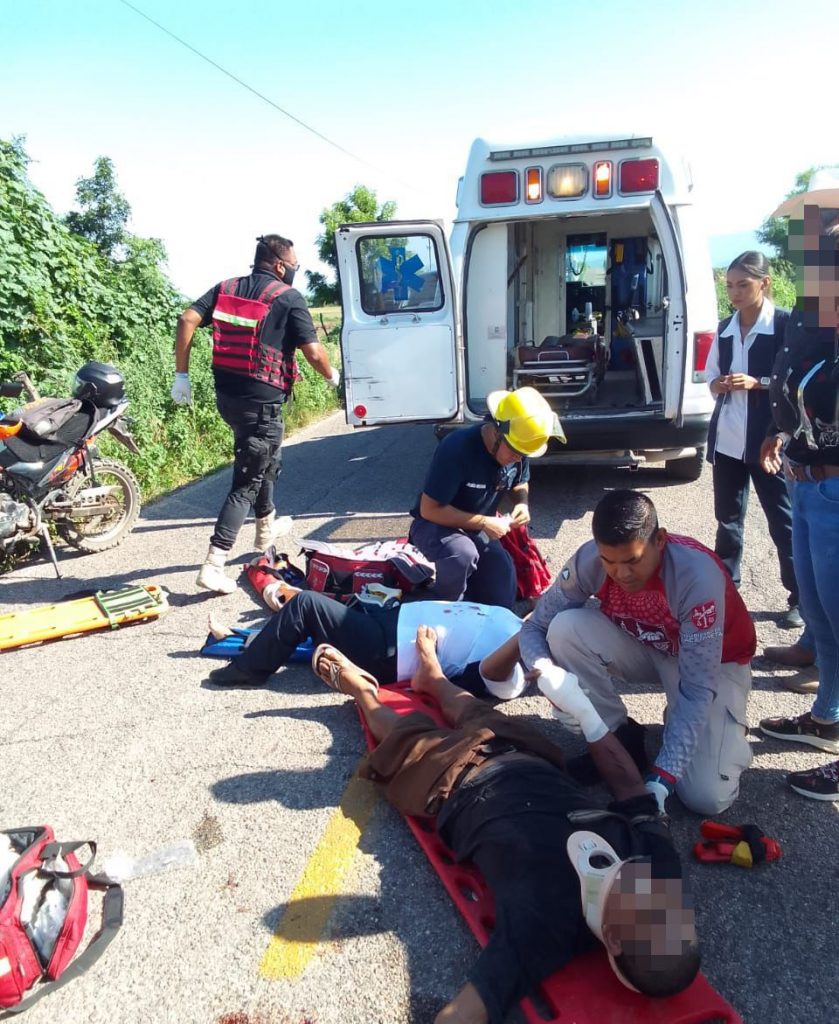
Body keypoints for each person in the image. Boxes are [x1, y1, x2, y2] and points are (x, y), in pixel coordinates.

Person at [310, 628, 700, 1024]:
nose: (652, 888)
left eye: (647, 905)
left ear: (613, 938)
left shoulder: (547, 928)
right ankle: (433, 677)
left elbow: (462, 1013)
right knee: (475, 712)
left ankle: (361, 692)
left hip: (458, 781)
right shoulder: (659, 872)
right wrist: (586, 715)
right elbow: (632, 791)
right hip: (531, 758)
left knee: (403, 738)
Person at [519, 489, 756, 816]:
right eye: (610, 562)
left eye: (632, 560)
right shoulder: (590, 560)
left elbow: (698, 688)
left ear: (659, 540)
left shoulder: (696, 579)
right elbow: (534, 628)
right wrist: (547, 673)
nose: (622, 574)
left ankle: (729, 734)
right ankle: (617, 737)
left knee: (707, 797)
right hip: (647, 643)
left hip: (712, 662)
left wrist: (662, 778)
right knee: (564, 628)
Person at [172, 235, 341, 595]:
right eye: (294, 264)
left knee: (267, 459)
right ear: (280, 265)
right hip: (262, 405)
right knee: (247, 480)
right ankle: (214, 563)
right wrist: (332, 377)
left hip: (229, 399)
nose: (296, 270)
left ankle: (265, 527)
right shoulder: (289, 298)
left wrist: (181, 375)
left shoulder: (227, 287)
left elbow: (187, 319)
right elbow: (312, 351)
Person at [757, 169, 839, 801]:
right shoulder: (814, 323)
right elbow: (797, 389)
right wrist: (785, 436)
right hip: (809, 482)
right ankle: (826, 718)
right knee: (820, 612)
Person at [206, 588, 529, 701]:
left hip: (386, 652)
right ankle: (254, 641)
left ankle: (249, 669)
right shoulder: (515, 621)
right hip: (389, 623)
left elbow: (461, 687)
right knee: (330, 609)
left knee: (307, 605)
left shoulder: (512, 676)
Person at [705, 252, 801, 628]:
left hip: (769, 440)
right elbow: (710, 378)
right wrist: (721, 383)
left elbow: (793, 381)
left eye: (743, 285)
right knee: (728, 521)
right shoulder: (725, 328)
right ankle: (727, 591)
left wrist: (757, 382)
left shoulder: (784, 324)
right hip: (729, 439)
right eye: (730, 285)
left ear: (765, 283)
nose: (735, 293)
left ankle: (799, 600)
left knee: (783, 521)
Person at [407, 387, 564, 610]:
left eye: (523, 454)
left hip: (480, 528)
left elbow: (519, 482)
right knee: (461, 555)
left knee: (502, 582)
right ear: (496, 431)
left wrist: (522, 503)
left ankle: (478, 612)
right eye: (514, 452)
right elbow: (429, 510)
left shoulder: (518, 445)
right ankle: (442, 613)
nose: (517, 458)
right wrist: (484, 522)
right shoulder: (457, 449)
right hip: (434, 525)